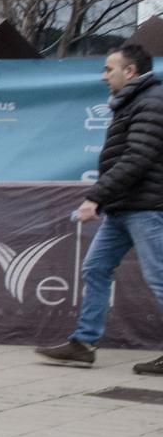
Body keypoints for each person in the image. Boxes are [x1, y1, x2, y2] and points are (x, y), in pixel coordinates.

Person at [37, 42, 163, 374]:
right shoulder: (133, 102)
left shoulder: (151, 102)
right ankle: (84, 344)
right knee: (95, 268)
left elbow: (138, 158)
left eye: (109, 69)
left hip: (149, 208)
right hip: (125, 207)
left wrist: (95, 197)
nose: (104, 76)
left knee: (160, 276)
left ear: (130, 71)